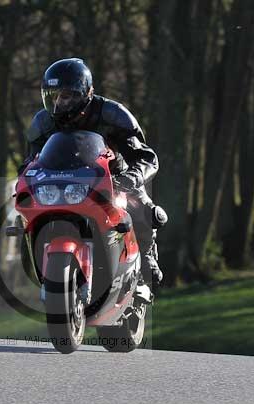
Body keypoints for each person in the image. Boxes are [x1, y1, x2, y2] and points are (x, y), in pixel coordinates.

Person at [23, 57, 165, 290]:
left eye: (66, 95)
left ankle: (147, 254)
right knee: (26, 214)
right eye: (54, 96)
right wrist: (25, 181)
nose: (59, 103)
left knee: (140, 205)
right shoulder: (43, 122)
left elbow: (146, 157)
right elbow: (31, 162)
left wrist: (130, 178)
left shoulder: (113, 115)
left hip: (113, 178)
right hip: (62, 184)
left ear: (84, 93)